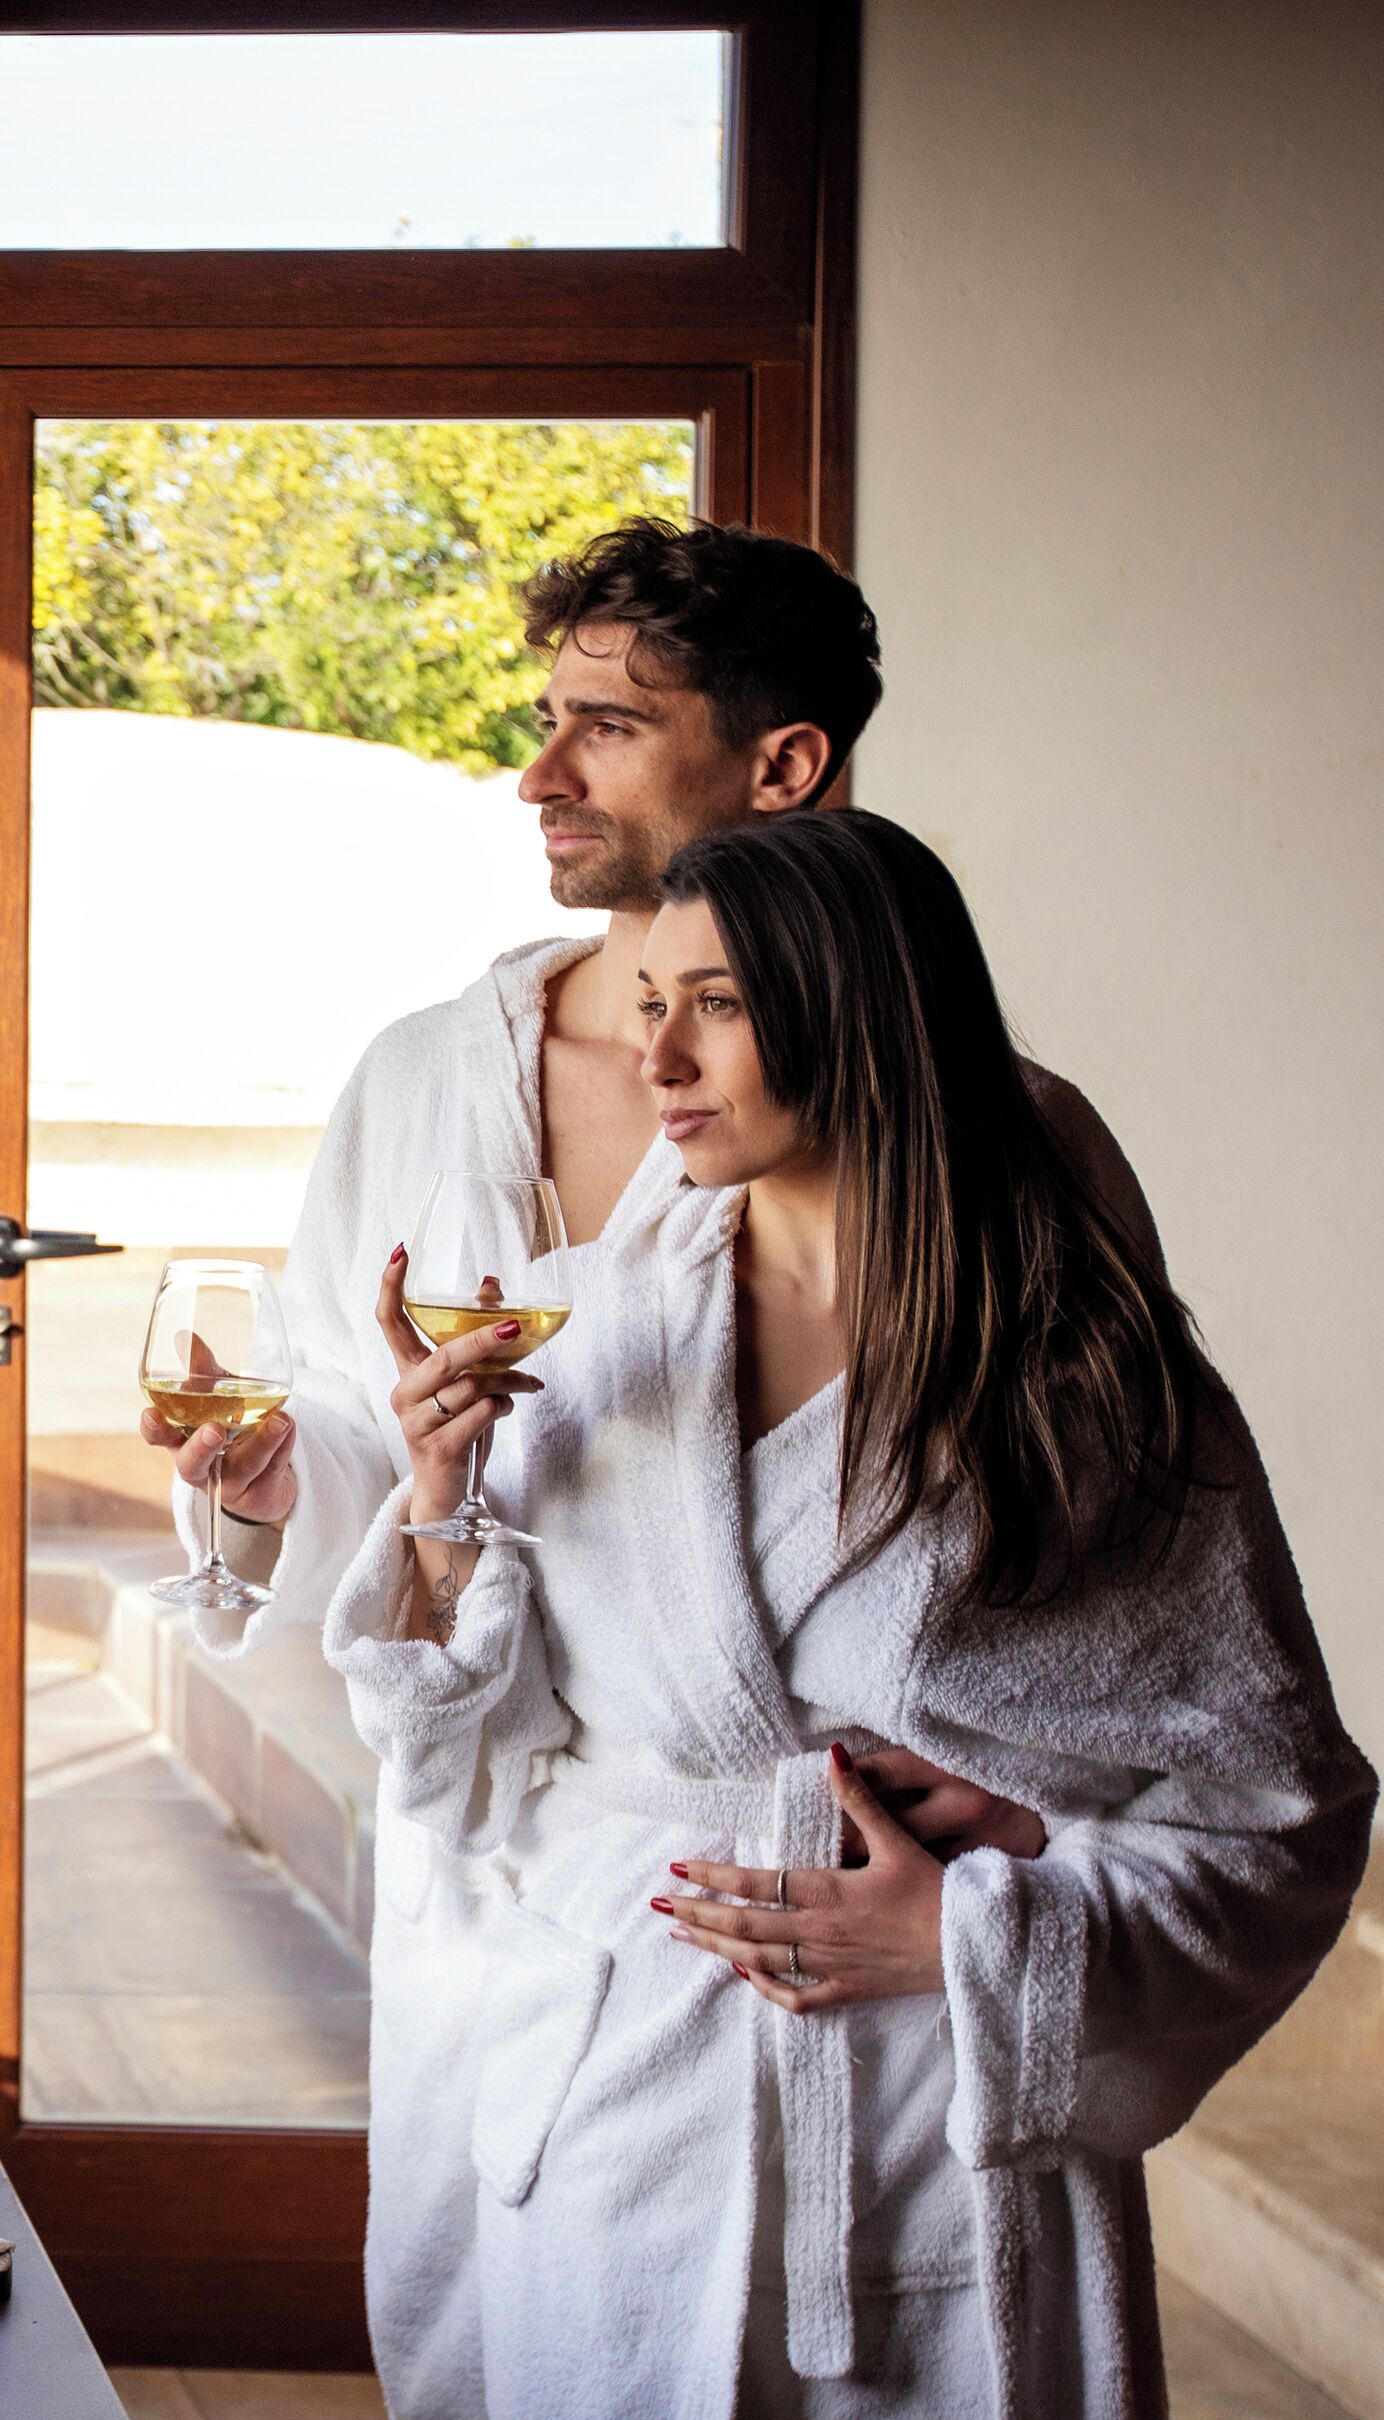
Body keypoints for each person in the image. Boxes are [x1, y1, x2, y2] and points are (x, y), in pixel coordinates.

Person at [327, 809, 1371, 2420]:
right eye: (649, 999)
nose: (651, 1053)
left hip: (918, 2116)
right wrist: (438, 1511)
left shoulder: (1081, 1377)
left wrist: (966, 1938)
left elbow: (1275, 1818)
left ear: (865, 1011)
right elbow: (458, 1779)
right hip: (623, 2113)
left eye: (714, 1004)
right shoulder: (583, 1340)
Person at [147, 518, 1147, 1876]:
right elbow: (361, 1428)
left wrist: (1035, 1789)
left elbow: (1118, 1526)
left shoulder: (993, 1130)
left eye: (607, 727)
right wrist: (273, 1485)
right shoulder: (428, 1080)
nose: (537, 776)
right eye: (548, 719)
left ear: (784, 763)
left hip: (848, 1890)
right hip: (512, 1895)